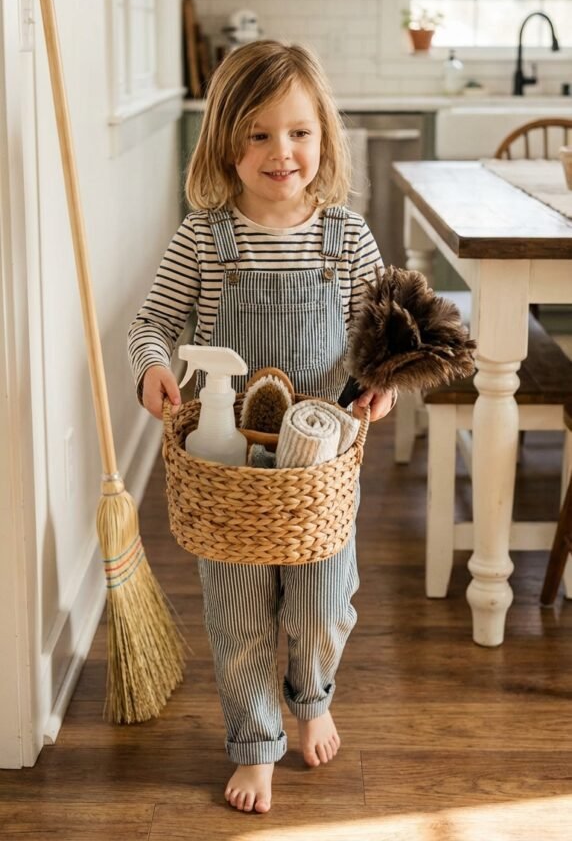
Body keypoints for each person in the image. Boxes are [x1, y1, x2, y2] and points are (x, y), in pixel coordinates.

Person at [128, 40, 396, 814]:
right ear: (224, 144)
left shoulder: (346, 240)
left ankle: (311, 696)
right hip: (228, 468)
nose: (282, 152)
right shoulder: (206, 239)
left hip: (319, 467)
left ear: (324, 138)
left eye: (299, 132)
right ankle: (254, 742)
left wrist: (381, 386)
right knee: (240, 612)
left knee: (321, 603)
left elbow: (385, 338)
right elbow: (152, 321)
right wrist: (152, 366)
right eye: (258, 134)